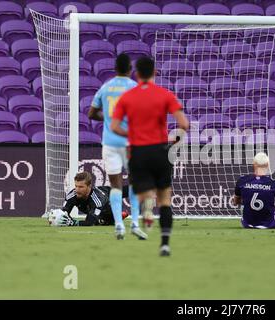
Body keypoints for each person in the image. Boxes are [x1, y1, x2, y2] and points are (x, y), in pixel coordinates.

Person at [111, 56, 189, 256]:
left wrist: (132, 136)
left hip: (138, 151)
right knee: (165, 199)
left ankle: (146, 209)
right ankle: (164, 244)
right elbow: (184, 125)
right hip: (160, 149)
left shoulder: (127, 97)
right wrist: (174, 141)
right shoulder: (165, 95)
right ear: (154, 73)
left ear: (137, 74)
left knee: (143, 190)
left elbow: (114, 126)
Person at [88, 53, 146, 240]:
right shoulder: (134, 88)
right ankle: (135, 224)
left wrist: (109, 118)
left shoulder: (105, 87)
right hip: (130, 142)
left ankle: (119, 226)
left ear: (115, 69)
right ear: (131, 71)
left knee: (115, 185)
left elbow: (91, 113)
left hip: (110, 142)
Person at [233, 152, 275, 229]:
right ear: (268, 165)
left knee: (245, 206)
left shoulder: (242, 180)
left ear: (254, 164)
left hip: (247, 223)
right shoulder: (273, 183)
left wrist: (247, 201)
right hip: (269, 224)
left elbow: (235, 202)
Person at [49, 171, 131, 228]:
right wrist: (58, 217)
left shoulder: (97, 200)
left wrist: (73, 222)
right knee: (98, 220)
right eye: (76, 186)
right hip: (99, 200)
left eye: (81, 187)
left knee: (103, 221)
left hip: (108, 202)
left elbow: (89, 222)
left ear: (89, 186)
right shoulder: (72, 195)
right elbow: (65, 212)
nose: (77, 189)